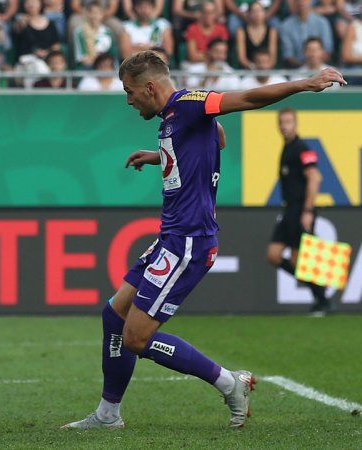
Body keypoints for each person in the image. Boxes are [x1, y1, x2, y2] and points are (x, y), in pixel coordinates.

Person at [61, 50, 344, 430]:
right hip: (170, 237)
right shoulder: (173, 118)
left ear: (149, 87)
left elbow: (246, 100)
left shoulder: (190, 104)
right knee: (113, 313)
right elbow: (219, 138)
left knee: (136, 338)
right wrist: (159, 155)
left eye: (129, 92)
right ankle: (108, 415)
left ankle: (230, 383)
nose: (128, 100)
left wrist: (306, 83)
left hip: (188, 243)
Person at [265, 108, 332, 315]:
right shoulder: (287, 148)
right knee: (274, 255)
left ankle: (321, 300)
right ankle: (321, 296)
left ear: (296, 124)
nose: (285, 126)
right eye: (282, 122)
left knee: (299, 261)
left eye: (288, 122)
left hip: (300, 209)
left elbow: (315, 178)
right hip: (288, 210)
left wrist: (308, 210)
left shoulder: (303, 148)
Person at [280, 0, 333, 68]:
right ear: (293, 2)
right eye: (298, 0)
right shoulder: (285, 26)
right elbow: (288, 55)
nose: (301, 2)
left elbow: (327, 51)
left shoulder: (322, 22)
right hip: (297, 70)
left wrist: (313, 66)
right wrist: (305, 68)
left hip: (320, 68)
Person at [235, 1, 278, 69]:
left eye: (259, 11)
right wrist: (254, 67)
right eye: (254, 11)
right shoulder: (241, 31)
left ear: (264, 13)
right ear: (248, 14)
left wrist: (264, 68)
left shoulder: (272, 31)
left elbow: (272, 58)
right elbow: (242, 58)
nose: (257, 14)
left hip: (267, 70)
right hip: (249, 71)